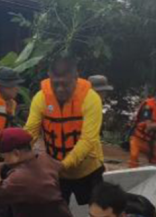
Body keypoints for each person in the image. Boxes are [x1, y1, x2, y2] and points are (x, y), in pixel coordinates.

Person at [25, 57, 105, 206]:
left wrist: (62, 165)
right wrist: (18, 153)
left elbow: (88, 139)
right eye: (55, 84)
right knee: (56, 212)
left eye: (65, 84)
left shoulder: (91, 98)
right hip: (57, 172)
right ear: (49, 77)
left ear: (76, 78)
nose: (60, 89)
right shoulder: (41, 98)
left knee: (98, 209)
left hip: (88, 169)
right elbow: (30, 131)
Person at [128, 89, 156, 168]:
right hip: (138, 138)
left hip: (150, 140)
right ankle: (131, 176)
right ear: (155, 99)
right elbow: (149, 126)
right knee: (133, 158)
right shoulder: (147, 107)